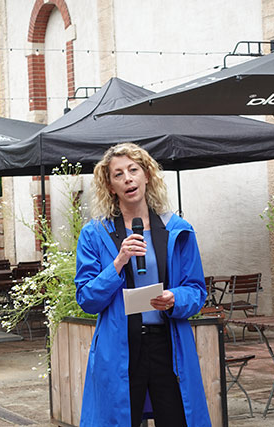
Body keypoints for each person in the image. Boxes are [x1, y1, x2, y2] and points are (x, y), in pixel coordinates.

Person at [75, 143, 210, 426]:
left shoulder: (178, 230)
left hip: (168, 344)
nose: (128, 178)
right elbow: (87, 298)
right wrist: (118, 262)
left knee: (178, 419)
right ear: (110, 186)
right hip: (119, 346)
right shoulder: (94, 234)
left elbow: (196, 291)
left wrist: (175, 298)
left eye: (133, 170)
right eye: (118, 174)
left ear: (147, 175)